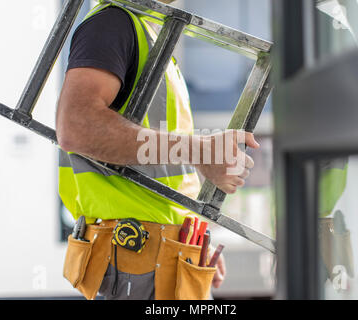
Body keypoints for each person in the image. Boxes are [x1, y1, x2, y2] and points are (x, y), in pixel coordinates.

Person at [56, 0, 259, 300]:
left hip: (169, 256)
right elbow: (76, 126)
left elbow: (160, 161)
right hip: (137, 259)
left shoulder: (152, 34)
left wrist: (190, 237)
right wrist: (199, 151)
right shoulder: (114, 24)